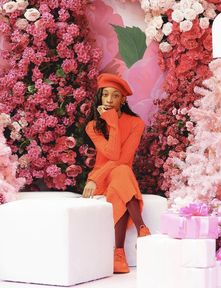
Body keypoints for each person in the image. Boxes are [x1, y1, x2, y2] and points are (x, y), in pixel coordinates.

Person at [82, 73, 150, 274]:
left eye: (115, 95)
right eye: (105, 95)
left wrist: (95, 178)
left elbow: (123, 158)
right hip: (101, 178)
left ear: (123, 100)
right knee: (121, 174)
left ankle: (119, 253)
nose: (109, 100)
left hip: (114, 175)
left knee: (121, 172)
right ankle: (143, 230)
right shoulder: (93, 126)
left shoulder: (136, 123)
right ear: (100, 98)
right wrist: (111, 121)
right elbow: (111, 153)